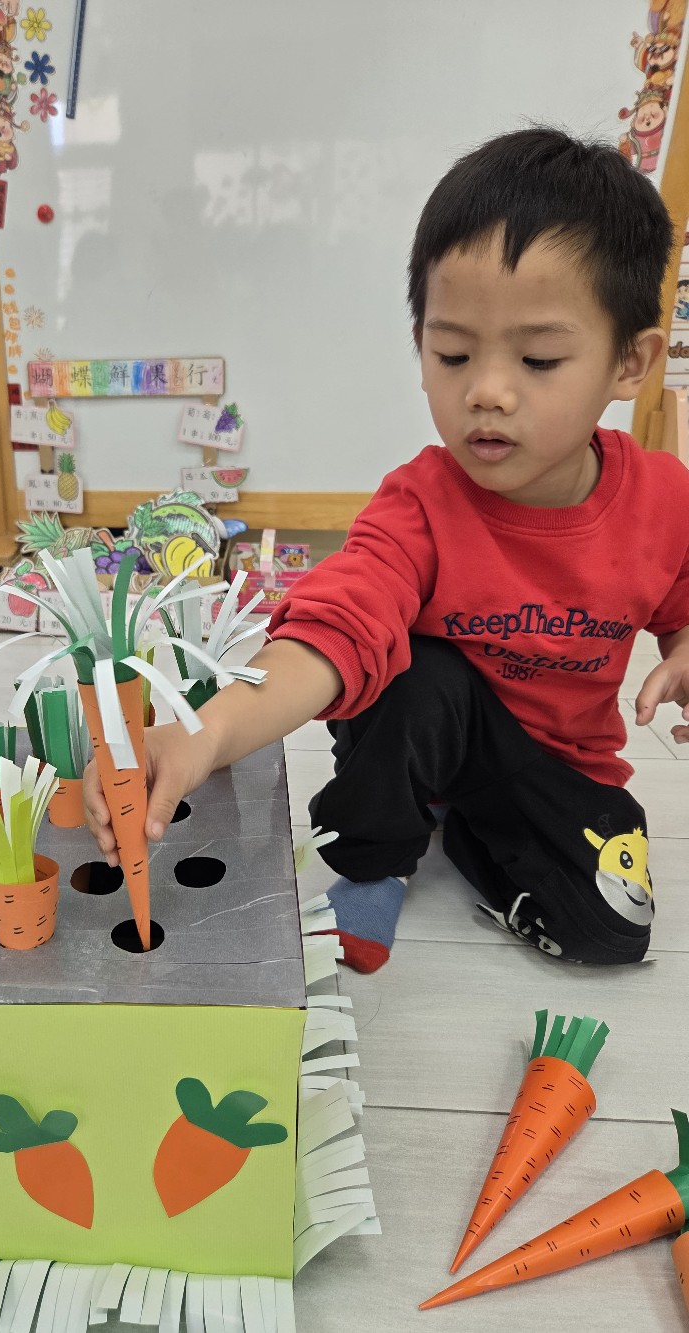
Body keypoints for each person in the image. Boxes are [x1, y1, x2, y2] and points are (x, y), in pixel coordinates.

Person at [85, 127, 689, 971]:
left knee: (611, 932)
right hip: (420, 728)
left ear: (631, 362)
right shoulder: (421, 504)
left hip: (553, 760)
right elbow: (327, 632)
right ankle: (376, 859)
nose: (486, 390)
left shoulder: (663, 498)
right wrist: (203, 733)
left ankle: (469, 829)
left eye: (539, 358)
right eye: (452, 353)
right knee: (414, 676)